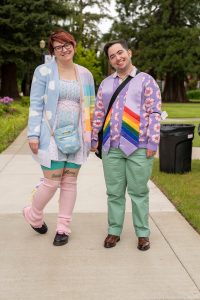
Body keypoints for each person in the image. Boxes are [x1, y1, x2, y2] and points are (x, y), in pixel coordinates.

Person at [23, 29, 95, 246]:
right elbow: (36, 103)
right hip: (51, 136)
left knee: (70, 181)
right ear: (53, 51)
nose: (64, 50)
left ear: (73, 45)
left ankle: (63, 226)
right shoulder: (43, 72)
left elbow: (90, 107)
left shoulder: (85, 74)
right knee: (51, 182)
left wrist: (92, 137)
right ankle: (34, 213)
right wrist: (33, 134)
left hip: (77, 137)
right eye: (58, 47)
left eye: (67, 44)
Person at [91, 39, 161, 251]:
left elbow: (155, 112)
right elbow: (99, 113)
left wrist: (152, 142)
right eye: (112, 56)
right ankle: (114, 231)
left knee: (139, 192)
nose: (118, 58)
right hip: (111, 147)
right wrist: (94, 138)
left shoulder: (146, 81)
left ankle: (142, 233)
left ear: (129, 53)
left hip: (139, 147)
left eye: (120, 53)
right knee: (114, 192)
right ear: (110, 62)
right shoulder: (105, 84)